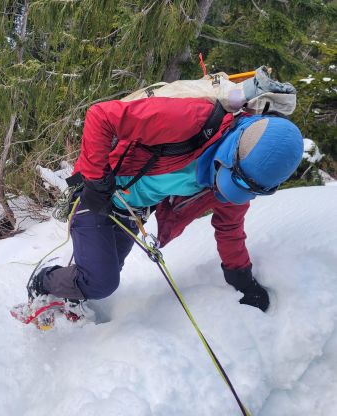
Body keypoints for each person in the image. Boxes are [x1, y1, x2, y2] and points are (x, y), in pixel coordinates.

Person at [28, 90, 304, 314]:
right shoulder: (190, 119)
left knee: (106, 270)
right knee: (101, 282)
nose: (225, 189)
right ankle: (42, 280)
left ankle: (71, 291)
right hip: (95, 195)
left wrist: (241, 277)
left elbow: (230, 228)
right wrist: (96, 181)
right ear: (234, 152)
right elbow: (101, 116)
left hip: (131, 212)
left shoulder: (239, 182)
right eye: (230, 178)